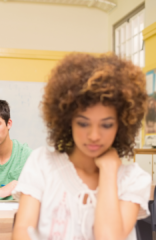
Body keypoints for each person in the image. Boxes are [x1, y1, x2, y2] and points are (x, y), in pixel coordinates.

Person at [12, 53, 151, 240]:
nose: (94, 136)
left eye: (106, 124)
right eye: (83, 123)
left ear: (122, 124)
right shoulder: (42, 164)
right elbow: (22, 232)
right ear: (68, 120)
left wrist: (109, 171)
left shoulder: (133, 179)